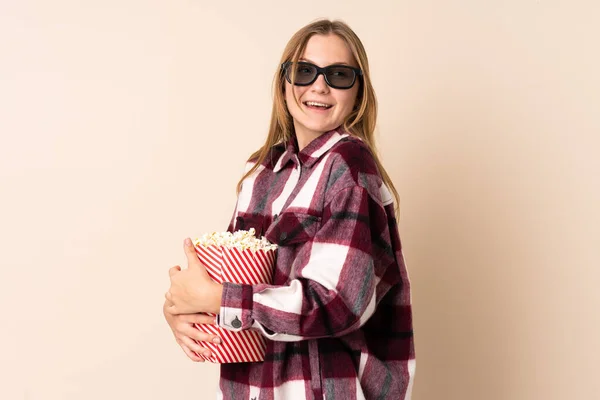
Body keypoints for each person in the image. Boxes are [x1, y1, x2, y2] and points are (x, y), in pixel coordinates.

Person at [163, 19, 415, 400]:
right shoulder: (261, 176)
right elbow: (228, 291)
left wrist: (217, 298)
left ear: (358, 92)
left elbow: (337, 303)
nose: (319, 86)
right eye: (304, 71)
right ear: (284, 83)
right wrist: (182, 312)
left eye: (339, 75)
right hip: (250, 389)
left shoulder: (349, 166)